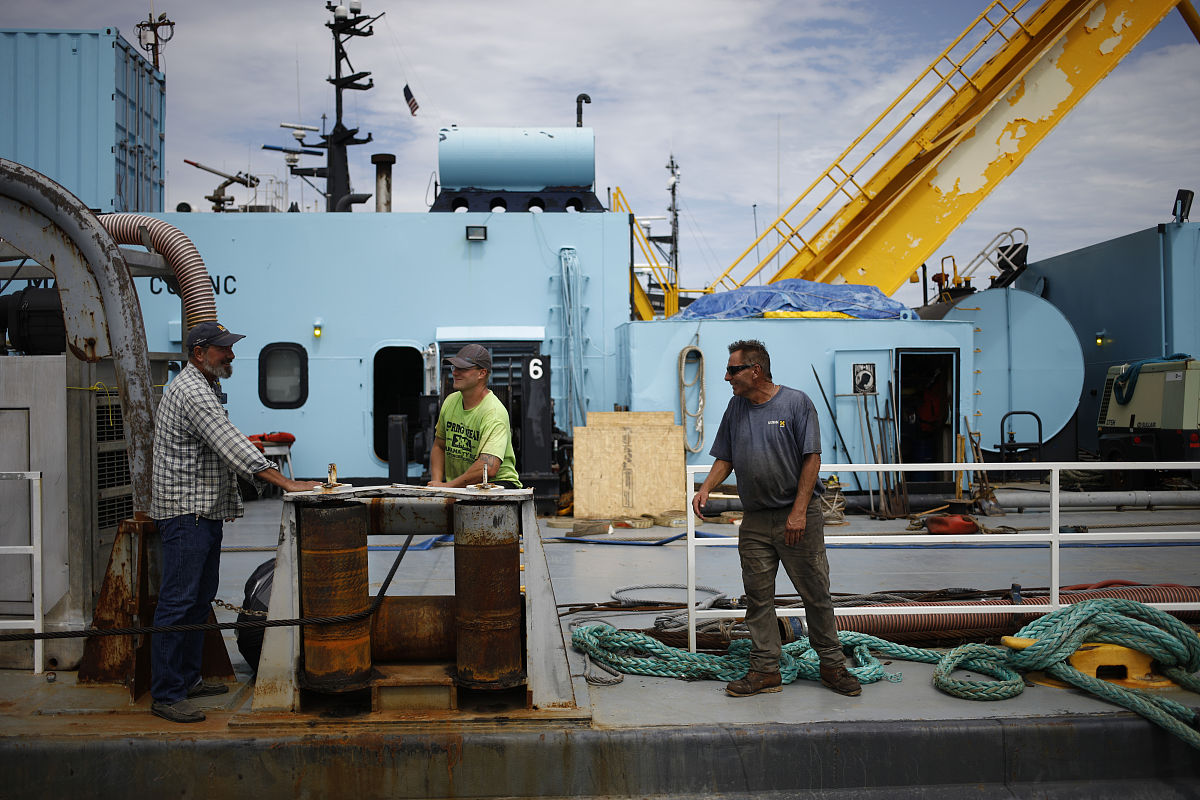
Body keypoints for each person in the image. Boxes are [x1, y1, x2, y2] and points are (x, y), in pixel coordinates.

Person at [150, 321, 321, 723]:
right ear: (198, 353)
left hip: (202, 513)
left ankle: (188, 679)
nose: (230, 355)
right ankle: (167, 693)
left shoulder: (204, 386)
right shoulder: (193, 391)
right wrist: (286, 483)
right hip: (185, 514)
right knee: (178, 602)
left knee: (198, 598)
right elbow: (231, 446)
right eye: (222, 349)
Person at [691, 339, 861, 698]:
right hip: (754, 520)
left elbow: (811, 459)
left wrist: (799, 512)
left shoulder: (796, 403)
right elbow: (726, 456)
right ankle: (765, 670)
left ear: (756, 370)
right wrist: (706, 487)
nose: (726, 377)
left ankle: (832, 666)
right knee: (757, 597)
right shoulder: (736, 408)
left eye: (733, 370)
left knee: (815, 594)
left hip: (796, 517)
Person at [427, 344, 522, 489]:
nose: (455, 373)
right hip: (462, 488)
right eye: (454, 368)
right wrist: (437, 486)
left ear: (482, 373)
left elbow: (488, 468)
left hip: (499, 485)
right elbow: (439, 446)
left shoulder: (494, 413)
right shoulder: (450, 402)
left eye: (462, 369)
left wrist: (449, 486)